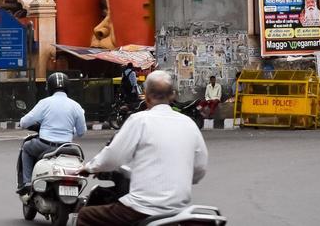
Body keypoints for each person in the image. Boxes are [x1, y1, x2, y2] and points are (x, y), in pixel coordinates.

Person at [79, 70, 208, 225]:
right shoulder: (189, 124)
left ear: (146, 96)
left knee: (86, 216)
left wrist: (89, 168)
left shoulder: (139, 120)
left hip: (142, 208)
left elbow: (113, 156)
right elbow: (200, 168)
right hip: (180, 209)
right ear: (172, 95)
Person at [15, 72, 86, 194]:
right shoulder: (76, 106)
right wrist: (69, 131)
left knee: (26, 147)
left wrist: (22, 123)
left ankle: (26, 183)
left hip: (44, 145)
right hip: (67, 148)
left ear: (49, 88)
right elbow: (81, 132)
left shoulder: (45, 103)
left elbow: (24, 122)